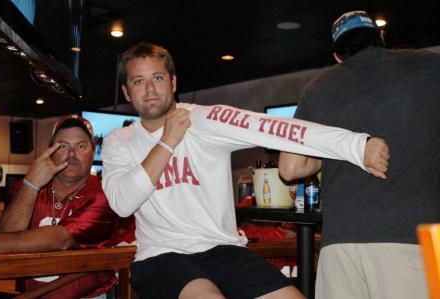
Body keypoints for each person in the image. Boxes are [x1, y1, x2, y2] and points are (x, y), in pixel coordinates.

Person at [101, 42, 389, 299]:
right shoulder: (119, 141)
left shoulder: (205, 120)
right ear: (127, 91)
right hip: (159, 257)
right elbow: (123, 204)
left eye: (158, 78)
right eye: (139, 81)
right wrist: (168, 141)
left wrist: (355, 145)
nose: (150, 89)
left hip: (223, 250)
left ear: (173, 82)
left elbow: (277, 129)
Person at [279, 10, 440, 299]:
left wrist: (338, 151)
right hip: (413, 238)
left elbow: (290, 168)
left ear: (338, 55)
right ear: (381, 37)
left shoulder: (317, 88)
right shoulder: (428, 66)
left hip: (338, 245)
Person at [0, 115, 120, 299]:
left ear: (93, 152)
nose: (72, 154)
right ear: (51, 152)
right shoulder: (25, 188)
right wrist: (31, 184)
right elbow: (5, 237)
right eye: (63, 146)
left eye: (81, 146)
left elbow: (62, 239)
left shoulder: (106, 193)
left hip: (88, 296)